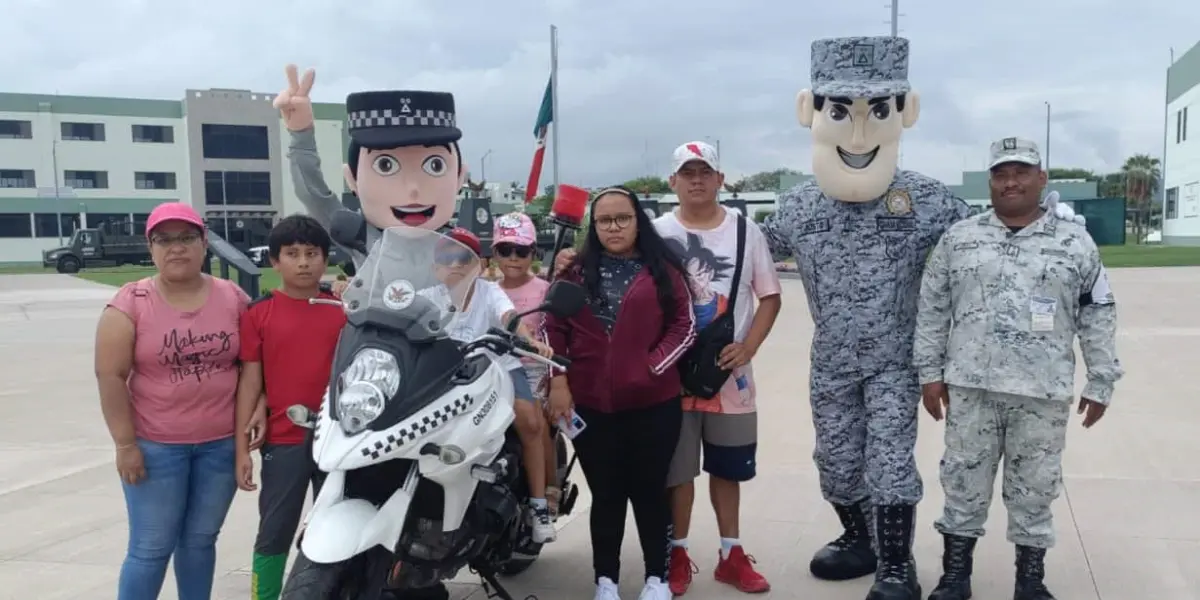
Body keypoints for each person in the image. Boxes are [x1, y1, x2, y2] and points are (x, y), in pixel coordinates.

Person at [759, 36, 974, 600]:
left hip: (894, 363)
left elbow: (980, 246)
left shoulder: (925, 199)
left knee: (888, 462)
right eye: (841, 110)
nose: (858, 131)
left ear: (904, 111)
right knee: (834, 459)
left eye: (877, 109)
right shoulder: (800, 205)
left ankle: (897, 566)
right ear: (812, 111)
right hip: (830, 361)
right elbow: (741, 252)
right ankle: (859, 539)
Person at [913, 137, 1122, 600]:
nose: (1011, 182)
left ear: (1041, 178)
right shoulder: (960, 238)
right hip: (970, 387)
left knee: (1035, 488)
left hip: (1041, 391)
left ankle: (1030, 581)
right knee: (963, 482)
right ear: (990, 180)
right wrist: (928, 372)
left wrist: (1101, 379)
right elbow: (932, 307)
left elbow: (1098, 310)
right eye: (1001, 173)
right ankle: (955, 577)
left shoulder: (1075, 242)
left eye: (1022, 172)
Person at [544, 186, 696, 600]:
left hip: (654, 404)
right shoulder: (573, 271)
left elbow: (684, 326)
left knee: (649, 492)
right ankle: (605, 581)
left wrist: (651, 366)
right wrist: (559, 380)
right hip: (592, 405)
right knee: (607, 495)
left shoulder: (664, 268)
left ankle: (656, 579)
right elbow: (552, 328)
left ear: (637, 220)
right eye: (605, 220)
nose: (614, 227)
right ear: (593, 226)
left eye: (622, 218)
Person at [95, 202, 250, 600]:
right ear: (151, 248)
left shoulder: (232, 297)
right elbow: (110, 376)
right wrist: (125, 445)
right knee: (150, 549)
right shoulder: (131, 302)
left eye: (186, 238)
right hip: (155, 448)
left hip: (219, 447)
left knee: (200, 541)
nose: (176, 248)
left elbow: (253, 364)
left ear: (203, 244)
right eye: (164, 239)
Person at [654, 142, 781, 596]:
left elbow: (769, 296)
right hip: (670, 374)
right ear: (672, 182)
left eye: (704, 171)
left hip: (732, 378)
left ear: (720, 179)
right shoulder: (655, 232)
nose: (696, 180)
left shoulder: (747, 232)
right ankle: (677, 552)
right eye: (686, 172)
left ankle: (731, 553)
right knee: (677, 471)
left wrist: (748, 346)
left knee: (728, 469)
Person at [233, 215, 347, 600]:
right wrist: (240, 450)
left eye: (312, 253)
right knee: (275, 530)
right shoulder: (258, 313)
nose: (303, 263)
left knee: (338, 525)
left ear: (326, 259)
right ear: (274, 261)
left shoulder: (343, 311)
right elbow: (251, 379)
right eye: (292, 254)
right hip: (284, 439)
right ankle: (263, 595)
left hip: (340, 442)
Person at [432, 227, 559, 543]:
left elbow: (509, 317)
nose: (457, 265)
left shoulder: (489, 292)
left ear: (481, 265)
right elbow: (394, 309)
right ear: (434, 266)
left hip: (498, 367)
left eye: (466, 258)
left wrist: (528, 340)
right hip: (446, 376)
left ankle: (539, 506)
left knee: (530, 423)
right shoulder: (427, 297)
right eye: (448, 258)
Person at [491, 212, 562, 515]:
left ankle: (549, 489)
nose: (514, 258)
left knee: (537, 422)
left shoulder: (545, 290)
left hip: (535, 367)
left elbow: (557, 335)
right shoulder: (487, 290)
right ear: (494, 253)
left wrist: (555, 376)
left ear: (534, 253)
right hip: (495, 366)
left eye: (522, 251)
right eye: (505, 250)